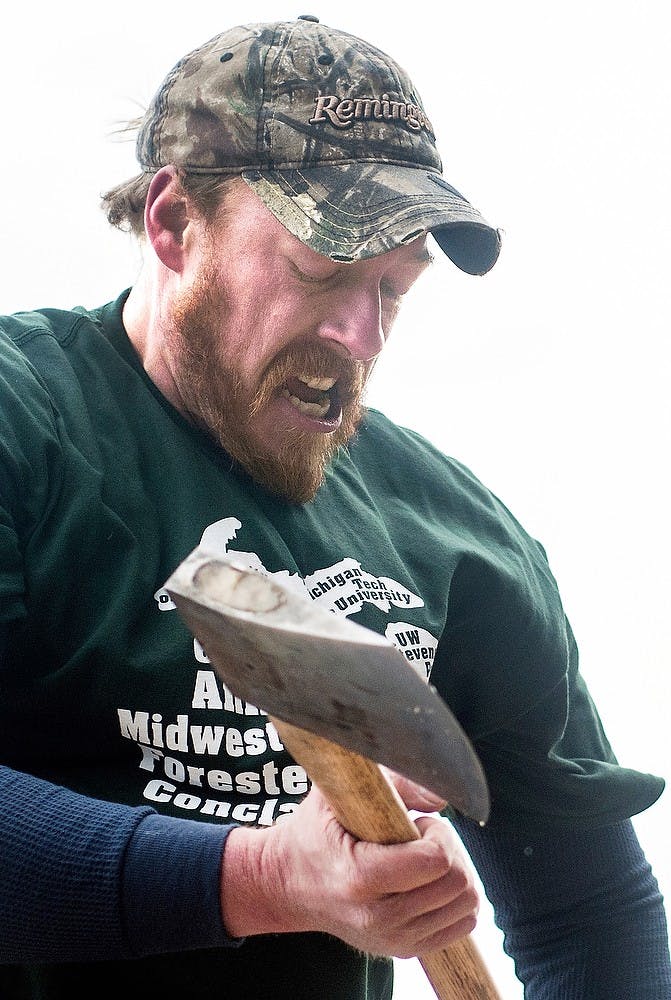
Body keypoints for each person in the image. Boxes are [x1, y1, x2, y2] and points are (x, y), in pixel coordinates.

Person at [0, 15, 668, 999]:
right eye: (321, 271)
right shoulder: (27, 426)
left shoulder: (452, 543)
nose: (360, 335)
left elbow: (587, 915)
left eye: (394, 288)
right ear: (174, 222)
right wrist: (269, 879)